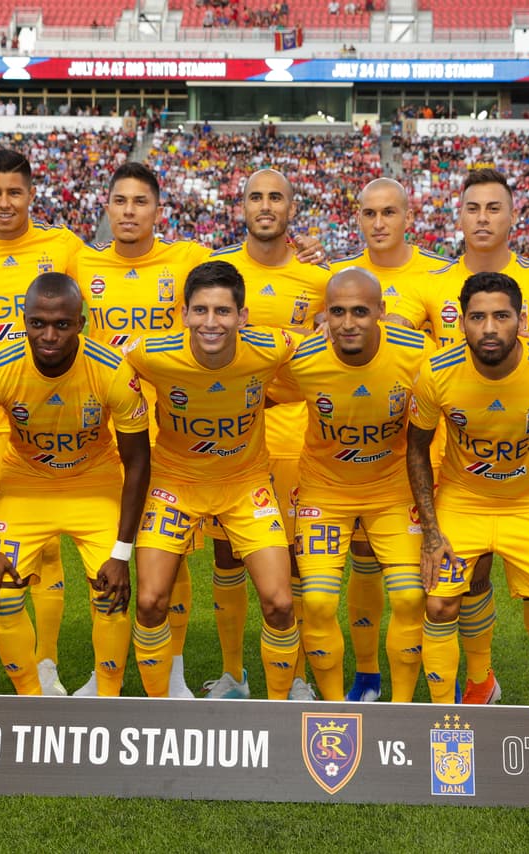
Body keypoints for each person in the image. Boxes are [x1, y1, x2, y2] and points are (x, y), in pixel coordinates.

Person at [389, 166, 529, 706]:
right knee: (465, 581)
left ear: (512, 216)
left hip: (522, 459)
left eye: (494, 208)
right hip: (449, 458)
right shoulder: (432, 285)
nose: (482, 218)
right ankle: (479, 681)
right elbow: (392, 341)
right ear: (459, 214)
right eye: (473, 208)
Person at [407, 272, 529, 707]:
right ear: (462, 323)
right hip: (462, 502)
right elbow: (416, 447)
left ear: (521, 318)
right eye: (477, 317)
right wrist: (432, 532)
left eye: (501, 316)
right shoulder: (436, 372)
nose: (489, 328)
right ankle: (447, 717)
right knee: (439, 606)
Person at [0, 273, 151, 697]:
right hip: (26, 485)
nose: (49, 335)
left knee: (111, 592)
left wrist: (123, 552)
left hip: (95, 484)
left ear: (81, 322)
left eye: (62, 324)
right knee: (3, 592)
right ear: (23, 320)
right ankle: (31, 696)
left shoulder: (112, 370)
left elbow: (139, 461)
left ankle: (107, 695)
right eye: (38, 323)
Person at [122, 260, 300, 699]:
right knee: (149, 603)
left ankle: (277, 711)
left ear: (242, 317)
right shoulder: (150, 352)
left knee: (280, 604)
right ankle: (159, 708)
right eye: (200, 311)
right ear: (183, 314)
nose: (211, 322)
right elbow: (100, 361)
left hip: (246, 486)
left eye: (223, 311)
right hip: (174, 486)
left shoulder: (271, 346)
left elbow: (323, 350)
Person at [0, 148, 86, 696]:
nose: (4, 203)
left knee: (45, 548)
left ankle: (43, 664)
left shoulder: (62, 246)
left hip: (43, 418)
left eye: (15, 192)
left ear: (32, 194)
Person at [268, 267, 429, 701]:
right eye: (337, 311)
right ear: (323, 315)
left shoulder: (416, 351)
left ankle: (401, 707)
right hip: (324, 492)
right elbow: (255, 392)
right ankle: (336, 709)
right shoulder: (303, 359)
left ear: (381, 311)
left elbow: (458, 388)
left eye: (360, 311)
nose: (348, 322)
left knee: (412, 599)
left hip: (393, 493)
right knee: (317, 603)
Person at [204, 169, 330, 700]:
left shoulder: (320, 281)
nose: (265, 205)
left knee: (294, 562)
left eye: (276, 197)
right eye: (256, 196)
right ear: (242, 206)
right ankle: (233, 674)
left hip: (293, 436)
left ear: (291, 208)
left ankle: (295, 676)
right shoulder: (217, 271)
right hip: (229, 433)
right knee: (227, 555)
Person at [330, 177, 454, 702]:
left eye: (388, 213)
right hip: (360, 450)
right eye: (367, 213)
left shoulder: (440, 275)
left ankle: (446, 675)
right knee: (362, 557)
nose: (378, 223)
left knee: (430, 572)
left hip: (426, 446)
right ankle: (367, 673)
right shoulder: (340, 276)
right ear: (357, 217)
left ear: (409, 216)